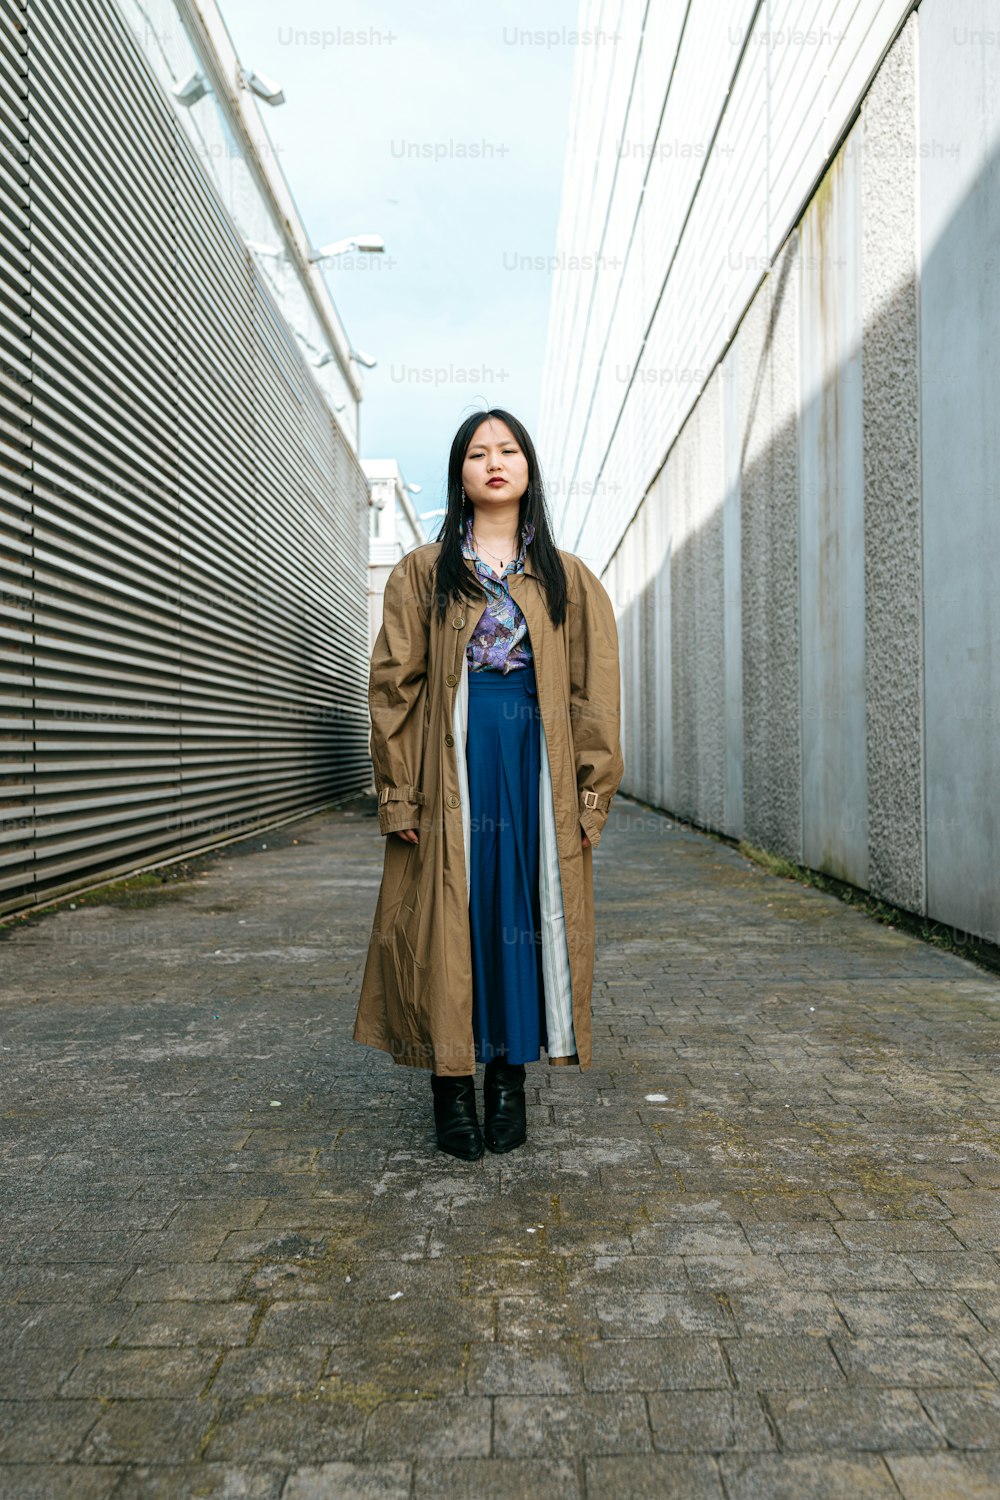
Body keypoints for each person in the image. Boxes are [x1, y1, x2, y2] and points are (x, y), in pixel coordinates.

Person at [352, 408, 624, 1160]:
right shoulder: (421, 572)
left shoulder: (569, 580)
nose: (494, 462)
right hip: (452, 767)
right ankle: (450, 1089)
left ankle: (507, 1082)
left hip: (535, 771)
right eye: (478, 453)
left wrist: (590, 797)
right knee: (448, 921)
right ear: (460, 474)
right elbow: (393, 691)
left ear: (528, 468)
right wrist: (399, 793)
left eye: (508, 450)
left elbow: (594, 698)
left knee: (522, 915)